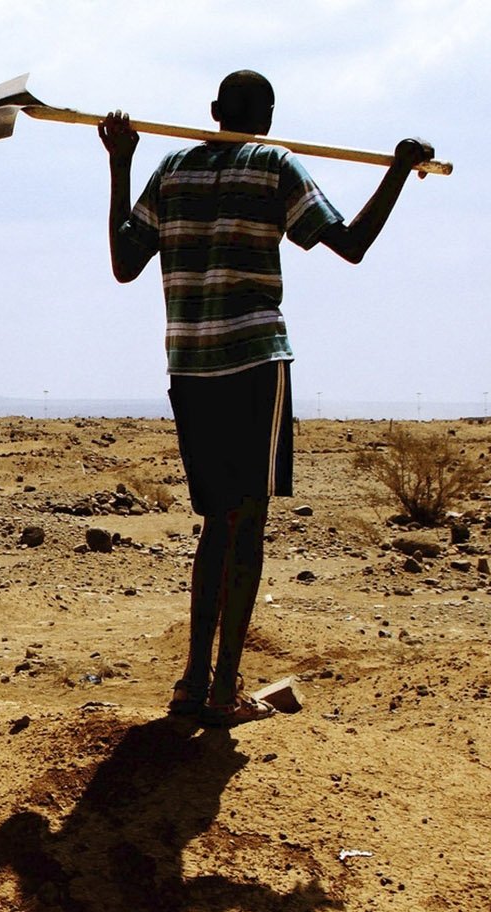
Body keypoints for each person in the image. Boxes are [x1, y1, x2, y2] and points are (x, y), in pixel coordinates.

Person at [98, 70, 432, 725]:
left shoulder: (170, 169)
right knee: (246, 523)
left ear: (214, 111)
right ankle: (223, 693)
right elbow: (352, 245)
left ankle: (193, 684)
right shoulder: (274, 165)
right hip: (253, 361)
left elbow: (124, 262)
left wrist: (119, 164)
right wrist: (398, 170)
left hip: (190, 366)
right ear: (269, 117)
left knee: (215, 524)